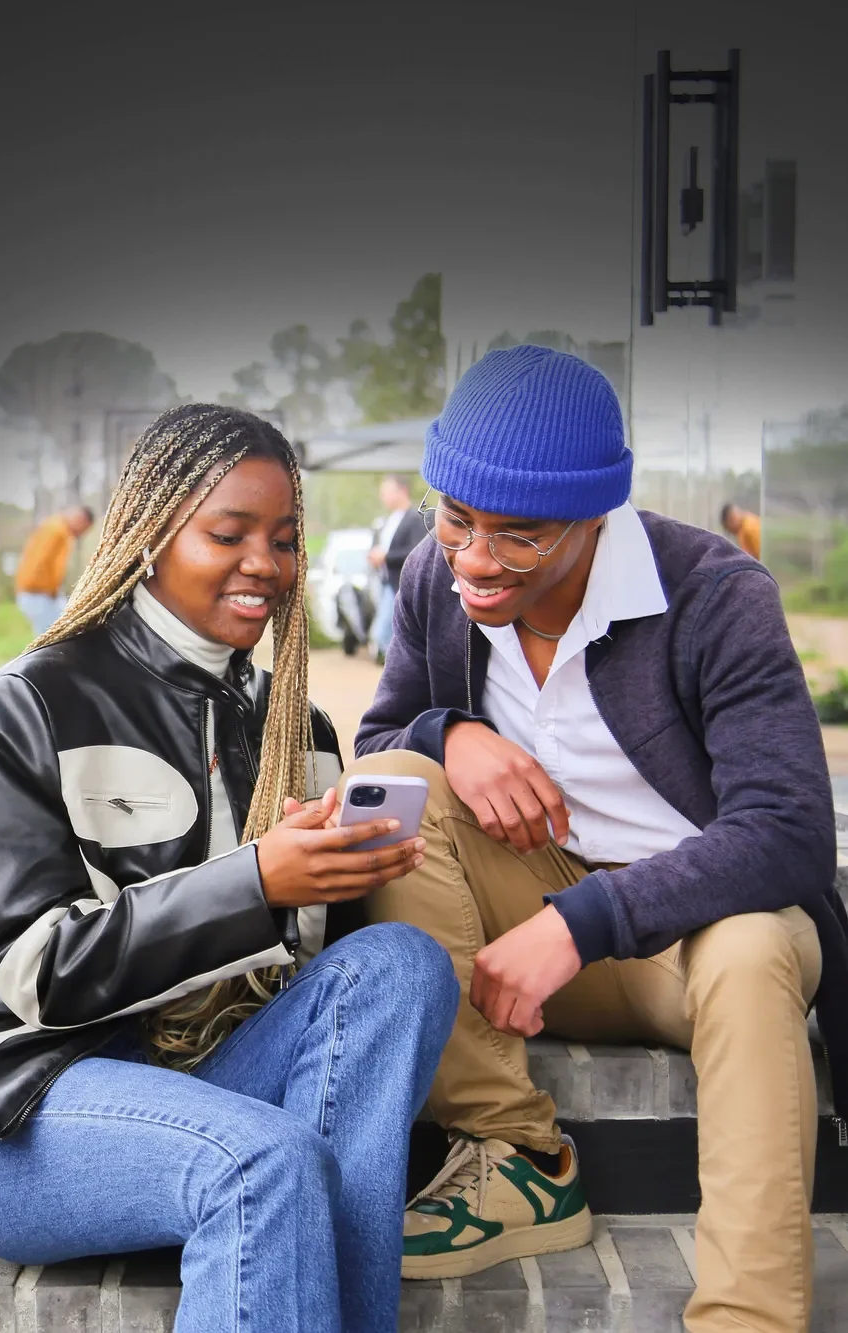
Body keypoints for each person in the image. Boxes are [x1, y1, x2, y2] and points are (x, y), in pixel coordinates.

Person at [0, 404, 458, 1333]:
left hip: (206, 1078)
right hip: (33, 1101)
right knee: (262, 1156)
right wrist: (256, 883)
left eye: (285, 540)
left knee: (404, 963)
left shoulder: (302, 734)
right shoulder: (36, 698)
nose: (267, 563)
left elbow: (336, 1007)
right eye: (229, 532)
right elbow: (37, 972)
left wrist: (343, 872)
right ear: (150, 533)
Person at [350, 346, 845, 1333]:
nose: (477, 560)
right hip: (522, 926)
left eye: (520, 536)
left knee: (750, 949)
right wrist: (456, 736)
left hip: (691, 940)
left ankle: (748, 1316)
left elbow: (789, 831)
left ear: (595, 517)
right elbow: (376, 741)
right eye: (458, 521)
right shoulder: (432, 576)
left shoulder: (714, 593)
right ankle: (520, 1159)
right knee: (396, 792)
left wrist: (588, 917)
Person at [368, 475, 427, 661]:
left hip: (402, 583)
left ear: (402, 491)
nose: (383, 497)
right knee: (386, 632)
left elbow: (417, 550)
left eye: (387, 492)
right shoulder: (386, 521)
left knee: (384, 633)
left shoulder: (415, 518)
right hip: (385, 582)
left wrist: (386, 556)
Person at [14, 504, 95, 635]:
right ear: (80, 520)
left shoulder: (55, 527)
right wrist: (50, 591)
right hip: (37, 593)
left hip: (40, 593)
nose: (81, 534)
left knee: (66, 625)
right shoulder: (58, 531)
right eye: (83, 529)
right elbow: (41, 562)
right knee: (55, 636)